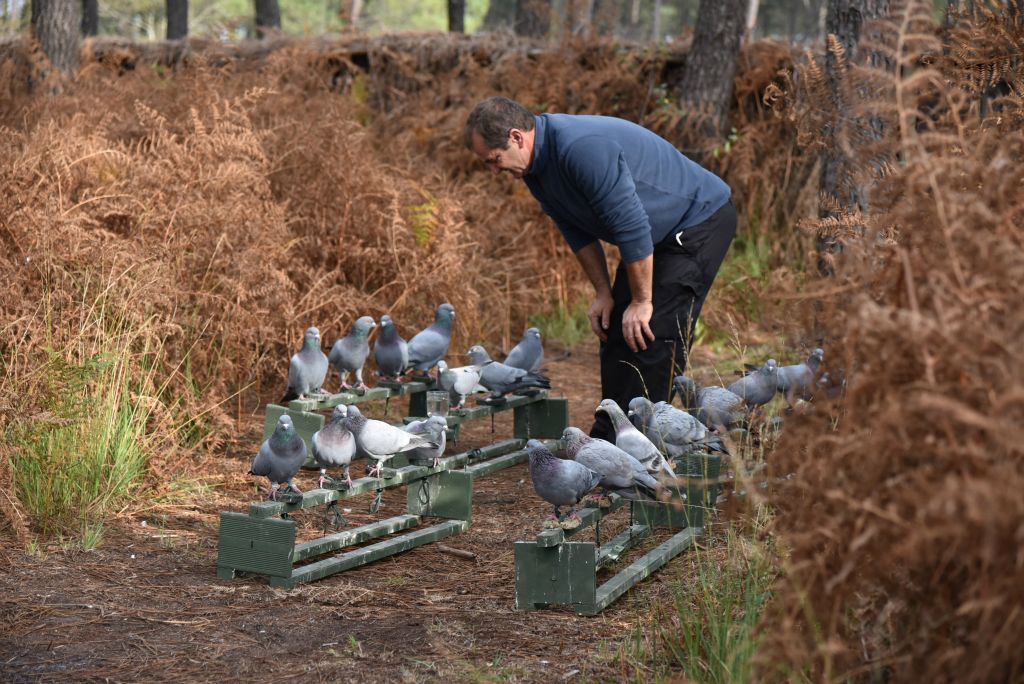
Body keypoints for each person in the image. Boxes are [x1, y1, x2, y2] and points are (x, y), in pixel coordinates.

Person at [464, 96, 736, 441]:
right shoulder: (536, 170)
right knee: (615, 329)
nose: (494, 171)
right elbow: (576, 231)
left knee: (651, 330)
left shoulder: (581, 149)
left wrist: (642, 301)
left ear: (516, 137)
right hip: (655, 234)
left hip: (698, 220)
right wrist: (604, 294)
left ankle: (650, 444)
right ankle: (611, 436)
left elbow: (632, 226)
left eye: (494, 160)